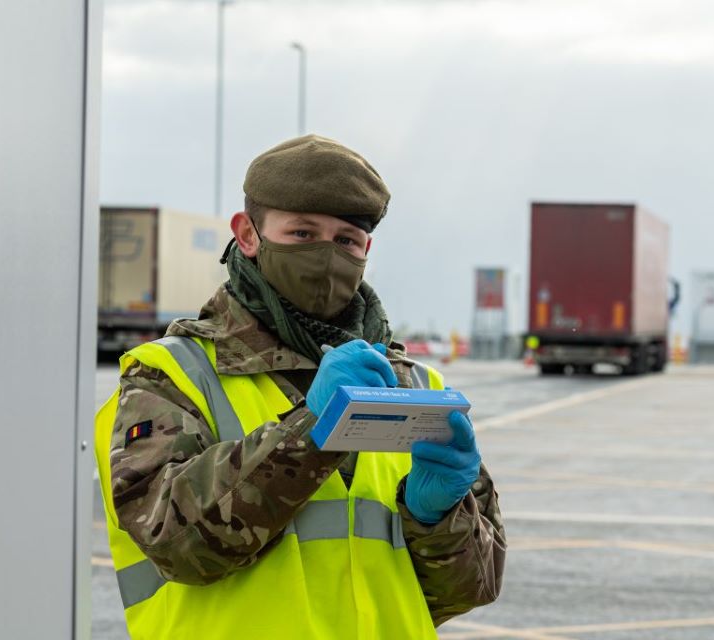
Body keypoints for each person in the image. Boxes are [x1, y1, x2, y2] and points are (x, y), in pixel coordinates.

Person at [94, 134, 506, 639]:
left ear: (366, 251)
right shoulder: (175, 373)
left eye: (346, 241)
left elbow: (472, 589)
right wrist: (312, 434)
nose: (326, 257)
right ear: (247, 235)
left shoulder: (415, 385)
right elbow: (177, 545)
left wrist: (437, 516)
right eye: (303, 234)